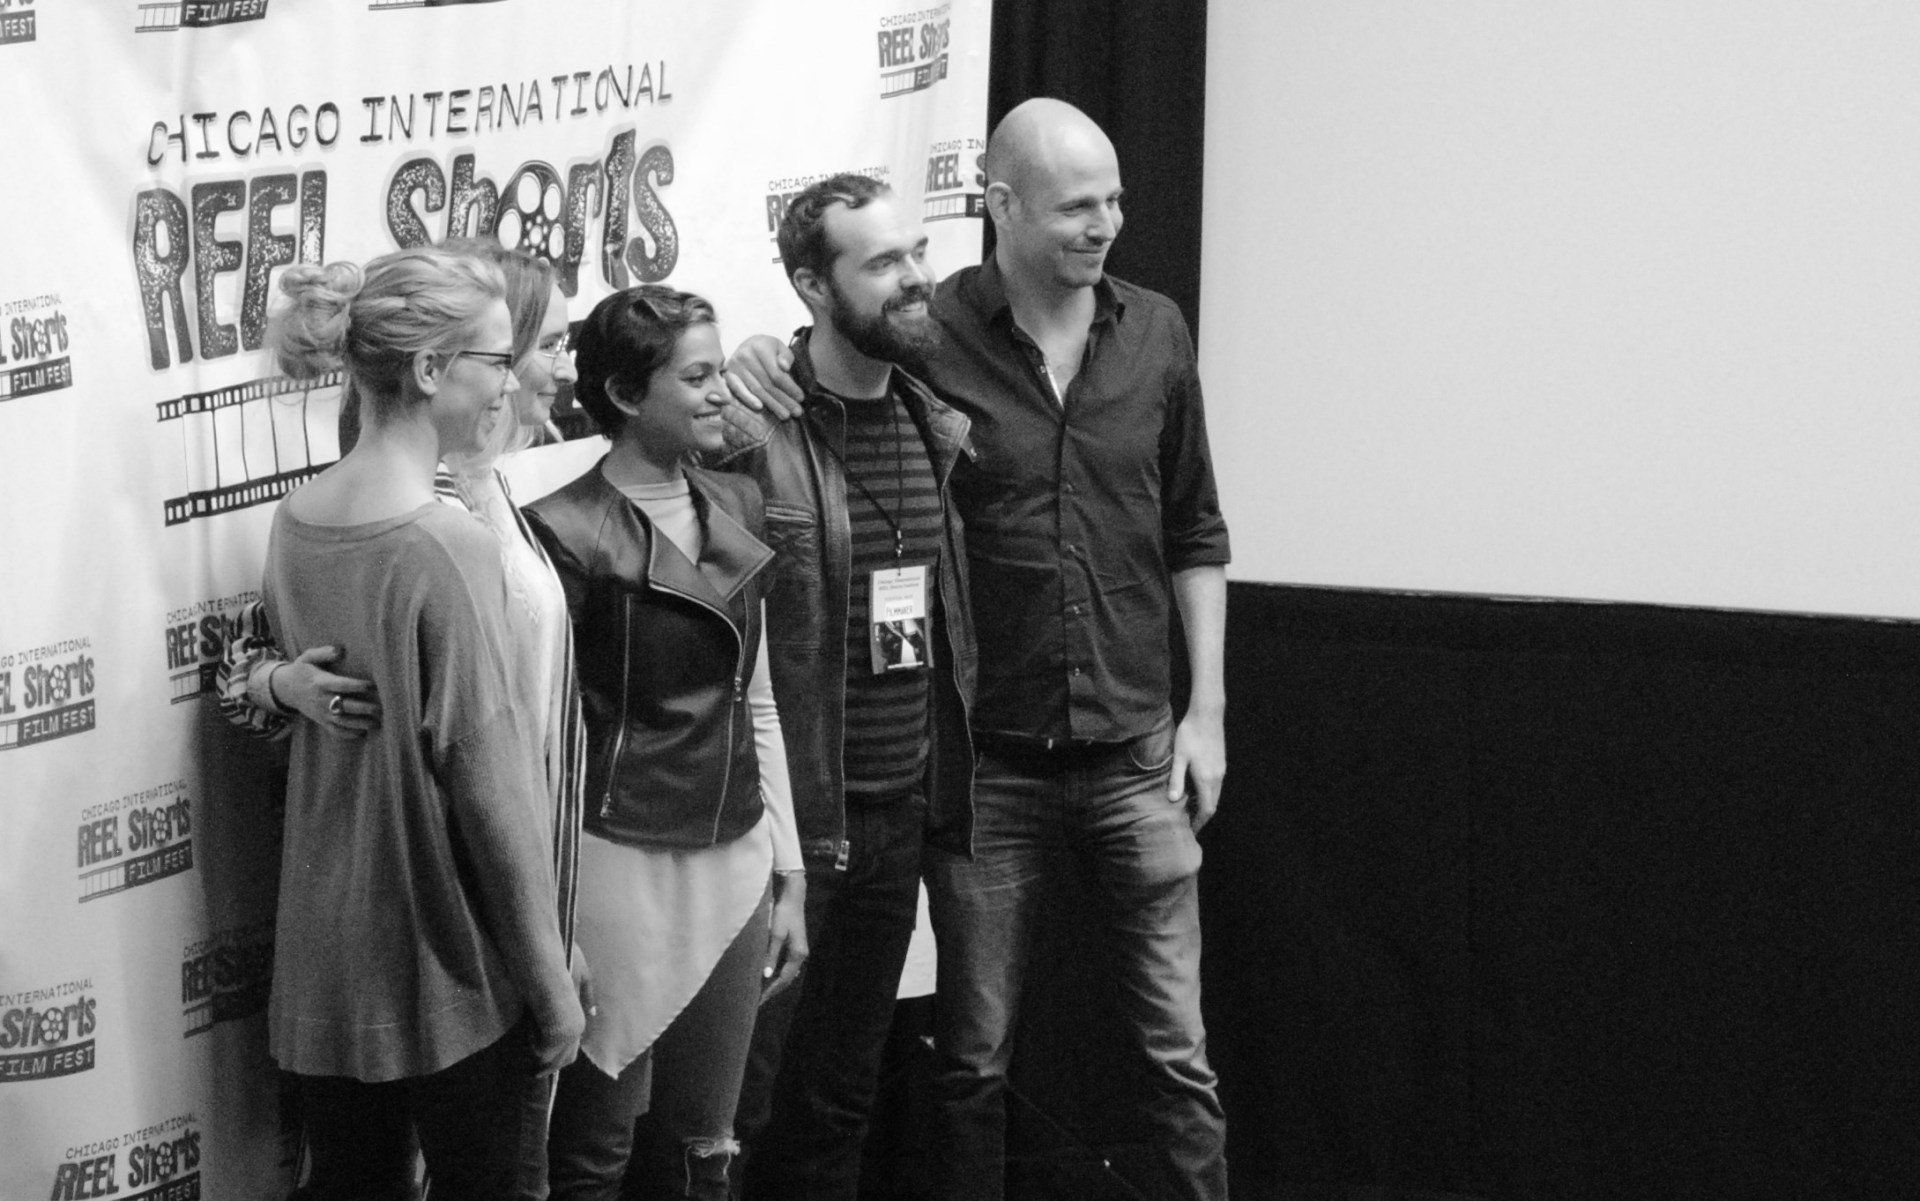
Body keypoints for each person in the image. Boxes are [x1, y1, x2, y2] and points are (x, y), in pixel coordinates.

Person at [725, 98, 1231, 1200]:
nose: (1105, 225)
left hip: (1135, 746)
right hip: (982, 764)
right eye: (1077, 206)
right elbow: (800, 381)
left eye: (1115, 201)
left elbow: (1196, 527)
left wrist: (1207, 717)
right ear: (1002, 206)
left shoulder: (1155, 331)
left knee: (1177, 1056)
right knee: (967, 1060)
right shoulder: (930, 339)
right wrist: (753, 357)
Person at [260, 246, 583, 1200]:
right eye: (494, 358)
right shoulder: (446, 545)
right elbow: (488, 792)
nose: (508, 381)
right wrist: (552, 983)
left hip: (325, 956)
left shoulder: (294, 519)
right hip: (448, 965)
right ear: (432, 370)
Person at [216, 238, 588, 990]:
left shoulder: (481, 494)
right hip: (452, 938)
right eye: (530, 347)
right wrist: (277, 683)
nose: (536, 373)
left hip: (459, 921)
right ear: (433, 367)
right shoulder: (434, 524)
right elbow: (487, 782)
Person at [714, 174, 977, 1200]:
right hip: (790, 828)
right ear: (811, 287)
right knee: (739, 1107)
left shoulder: (931, 414)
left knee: (839, 1103)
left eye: (915, 252)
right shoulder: (752, 426)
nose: (916, 278)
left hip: (898, 814)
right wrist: (745, 369)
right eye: (883, 263)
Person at [525, 285, 807, 1201]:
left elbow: (756, 699)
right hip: (616, 865)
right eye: (697, 375)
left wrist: (789, 867)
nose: (723, 390)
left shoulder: (740, 502)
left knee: (706, 1145)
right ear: (625, 391)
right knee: (596, 1147)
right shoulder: (559, 531)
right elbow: (546, 740)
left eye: (720, 368)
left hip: (734, 851)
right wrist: (554, 910)